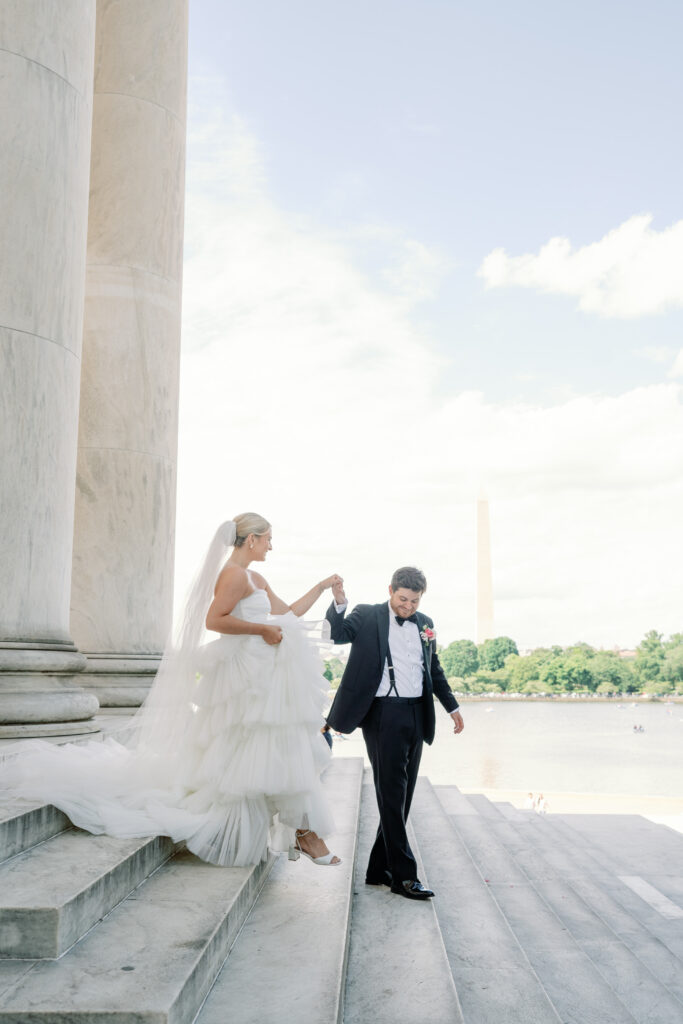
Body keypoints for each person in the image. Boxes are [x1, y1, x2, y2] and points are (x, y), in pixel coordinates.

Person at [4, 515, 341, 867]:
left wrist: (319, 588)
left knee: (270, 751)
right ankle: (301, 834)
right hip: (242, 676)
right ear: (252, 539)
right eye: (269, 538)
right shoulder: (233, 574)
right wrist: (260, 630)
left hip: (260, 675)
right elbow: (215, 620)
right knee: (249, 748)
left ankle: (302, 834)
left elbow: (287, 614)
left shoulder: (256, 577)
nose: (272, 545)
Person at [323, 566, 464, 900]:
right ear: (390, 590)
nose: (408, 607)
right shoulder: (368, 615)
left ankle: (378, 869)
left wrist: (452, 707)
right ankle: (404, 877)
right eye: (403, 599)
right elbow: (337, 634)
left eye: (414, 601)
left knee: (403, 796)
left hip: (417, 713)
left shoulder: (425, 623)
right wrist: (339, 599)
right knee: (391, 793)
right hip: (382, 714)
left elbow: (434, 669)